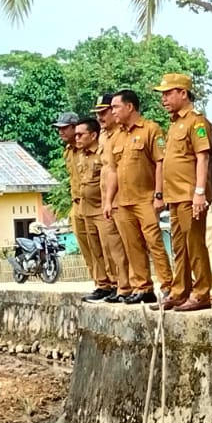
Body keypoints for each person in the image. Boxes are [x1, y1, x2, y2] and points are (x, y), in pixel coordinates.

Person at [104, 89, 173, 304]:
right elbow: (114, 171)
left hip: (146, 198)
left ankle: (168, 285)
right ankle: (142, 287)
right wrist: (108, 200)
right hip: (123, 202)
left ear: (129, 107)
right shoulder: (116, 137)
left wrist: (159, 194)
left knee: (154, 242)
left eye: (116, 107)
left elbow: (160, 162)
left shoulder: (151, 130)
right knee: (132, 245)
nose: (112, 111)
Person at [155, 74, 212, 312]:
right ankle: (180, 291)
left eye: (168, 93)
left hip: (190, 195)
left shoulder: (195, 122)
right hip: (174, 197)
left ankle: (201, 293)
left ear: (183, 93)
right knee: (179, 247)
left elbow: (203, 157)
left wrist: (199, 192)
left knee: (195, 245)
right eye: (163, 94)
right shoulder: (174, 123)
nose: (164, 99)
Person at [70, 117, 120, 302]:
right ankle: (102, 284)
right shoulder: (80, 154)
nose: (77, 138)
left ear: (93, 135)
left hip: (101, 207)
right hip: (86, 209)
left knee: (109, 249)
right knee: (95, 250)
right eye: (75, 135)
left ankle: (117, 284)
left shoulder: (101, 152)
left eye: (81, 134)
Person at [92, 93, 133, 296]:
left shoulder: (122, 133)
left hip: (122, 198)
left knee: (128, 246)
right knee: (112, 248)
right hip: (106, 200)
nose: (101, 117)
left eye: (104, 112)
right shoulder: (103, 135)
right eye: (98, 113)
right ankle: (120, 286)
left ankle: (132, 286)